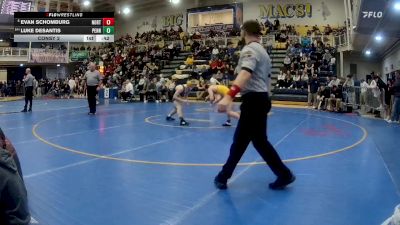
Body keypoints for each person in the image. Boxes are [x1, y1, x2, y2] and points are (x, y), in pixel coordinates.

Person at [214, 20, 295, 190]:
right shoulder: (263, 51)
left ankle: (223, 176)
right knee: (255, 141)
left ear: (245, 32)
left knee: (243, 141)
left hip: (253, 100)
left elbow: (245, 73)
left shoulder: (249, 49)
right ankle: (283, 174)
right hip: (261, 98)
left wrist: (229, 96)